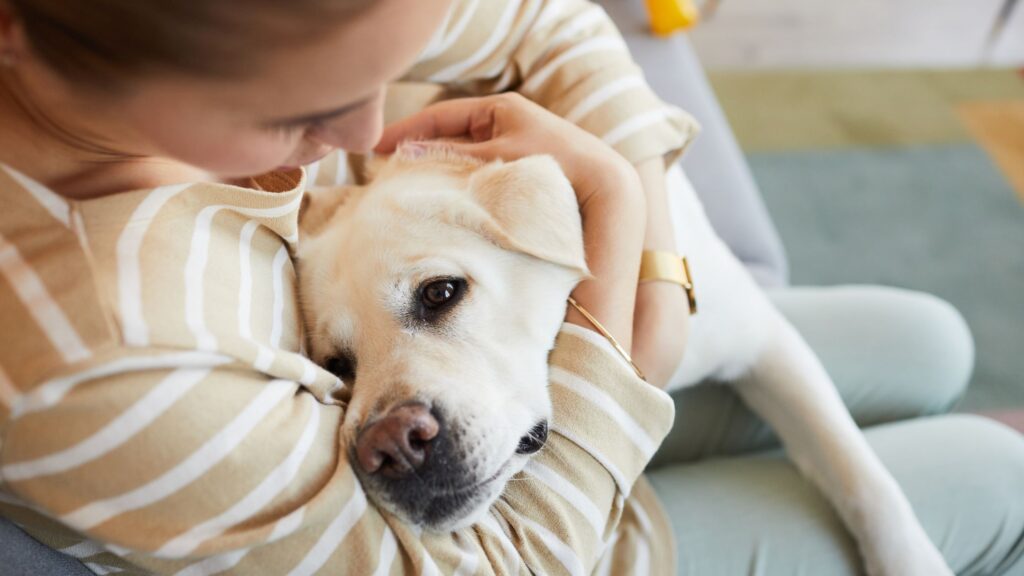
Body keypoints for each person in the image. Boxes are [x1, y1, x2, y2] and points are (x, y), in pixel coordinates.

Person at [1, 0, 1022, 575]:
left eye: (382, 76)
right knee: (995, 474)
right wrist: (615, 223)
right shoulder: (89, 349)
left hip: (519, 406)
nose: (366, 138)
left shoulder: (292, 21)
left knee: (924, 343)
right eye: (296, 116)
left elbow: (553, 24)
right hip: (502, 551)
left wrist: (648, 266)